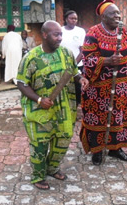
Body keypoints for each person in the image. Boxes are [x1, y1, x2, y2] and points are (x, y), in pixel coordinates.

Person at [16, 20, 89, 190]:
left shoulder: (66, 53)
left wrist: (81, 79)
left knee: (63, 140)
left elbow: (74, 71)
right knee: (40, 144)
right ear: (44, 35)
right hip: (39, 110)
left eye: (61, 34)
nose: (60, 38)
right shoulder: (31, 58)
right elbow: (21, 83)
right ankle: (37, 175)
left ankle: (52, 168)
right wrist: (39, 100)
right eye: (56, 34)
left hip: (63, 109)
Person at [80, 0, 127, 165]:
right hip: (98, 88)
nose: (118, 16)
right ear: (103, 17)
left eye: (119, 13)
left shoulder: (124, 33)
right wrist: (106, 61)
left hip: (120, 86)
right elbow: (87, 59)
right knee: (98, 118)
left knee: (118, 117)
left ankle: (116, 149)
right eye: (113, 13)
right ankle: (97, 150)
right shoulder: (93, 33)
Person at [60, 10, 86, 105]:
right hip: (62, 64)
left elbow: (82, 50)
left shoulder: (80, 31)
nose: (74, 20)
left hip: (77, 64)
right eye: (72, 18)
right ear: (66, 19)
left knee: (77, 87)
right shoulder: (60, 30)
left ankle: (76, 106)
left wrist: (73, 63)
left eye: (76, 19)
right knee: (64, 86)